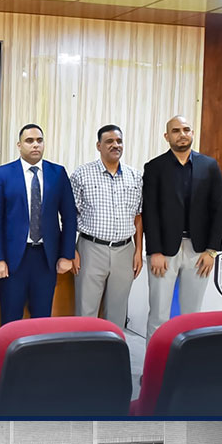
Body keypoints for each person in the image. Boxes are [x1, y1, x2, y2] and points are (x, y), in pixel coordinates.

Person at [143, 115, 222, 339]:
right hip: (164, 252)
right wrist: (155, 251)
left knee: (192, 316)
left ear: (192, 133)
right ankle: (155, 361)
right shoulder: (154, 167)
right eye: (176, 130)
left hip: (199, 252)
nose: (182, 134)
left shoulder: (210, 166)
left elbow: (218, 209)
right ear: (167, 136)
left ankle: (188, 360)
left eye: (186, 129)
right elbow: (150, 212)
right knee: (159, 315)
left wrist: (211, 251)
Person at [0, 124, 76, 324]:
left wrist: (67, 255)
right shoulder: (2, 174)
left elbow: (69, 216)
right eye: (29, 141)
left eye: (39, 140)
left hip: (46, 258)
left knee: (42, 320)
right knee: (11, 319)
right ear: (19, 145)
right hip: (12, 260)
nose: (35, 145)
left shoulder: (58, 173)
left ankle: (38, 347)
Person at [70, 124, 143, 330]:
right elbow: (69, 215)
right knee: (86, 310)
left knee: (118, 311)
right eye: (109, 141)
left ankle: (113, 349)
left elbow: (138, 216)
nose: (115, 145)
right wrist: (71, 250)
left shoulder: (135, 176)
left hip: (125, 250)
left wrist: (139, 250)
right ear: (99, 145)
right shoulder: (81, 174)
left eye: (119, 141)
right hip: (90, 249)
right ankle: (84, 350)